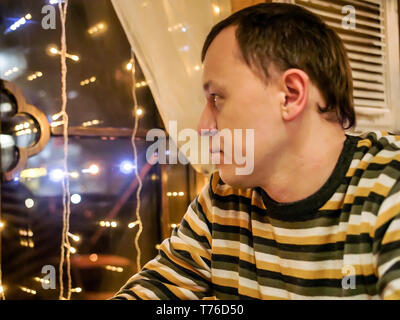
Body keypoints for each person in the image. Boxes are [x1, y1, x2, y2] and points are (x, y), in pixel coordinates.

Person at [112, 3, 400, 300]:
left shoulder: (389, 187)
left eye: (217, 98)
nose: (202, 126)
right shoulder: (223, 197)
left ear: (290, 95)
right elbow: (155, 291)